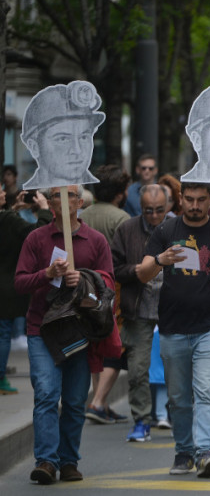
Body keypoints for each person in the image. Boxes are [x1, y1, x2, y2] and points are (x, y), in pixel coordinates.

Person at [136, 181, 210, 478]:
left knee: (205, 390)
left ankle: (206, 451)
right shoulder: (165, 232)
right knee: (179, 399)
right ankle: (183, 450)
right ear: (180, 199)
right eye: (189, 199)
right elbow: (142, 274)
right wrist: (160, 260)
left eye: (201, 200)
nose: (195, 206)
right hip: (172, 327)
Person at [15, 184, 114, 484]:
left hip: (80, 331)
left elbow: (107, 286)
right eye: (56, 194)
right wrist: (48, 274)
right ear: (51, 204)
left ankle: (69, 460)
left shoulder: (95, 240)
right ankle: (46, 460)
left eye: (69, 194)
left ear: (79, 202)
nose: (62, 200)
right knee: (46, 394)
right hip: (41, 329)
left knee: (73, 400)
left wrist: (83, 280)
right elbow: (19, 282)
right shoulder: (36, 238)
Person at [111, 185, 171, 442]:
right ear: (141, 207)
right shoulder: (127, 229)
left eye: (159, 210)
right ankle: (141, 420)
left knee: (178, 366)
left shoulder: (177, 227)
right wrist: (137, 270)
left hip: (173, 307)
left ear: (167, 206)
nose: (155, 215)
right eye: (149, 211)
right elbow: (114, 267)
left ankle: (178, 417)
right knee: (137, 370)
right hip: (138, 308)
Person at [80, 164, 131, 425]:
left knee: (95, 345)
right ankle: (99, 402)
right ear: (120, 193)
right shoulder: (121, 219)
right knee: (114, 345)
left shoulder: (83, 215)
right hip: (112, 290)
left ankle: (101, 401)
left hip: (83, 287)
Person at [0, 188, 52, 395]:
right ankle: (1, 378)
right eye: (0, 189)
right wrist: (44, 209)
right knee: (4, 333)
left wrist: (13, 210)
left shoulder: (7, 218)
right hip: (6, 287)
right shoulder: (8, 220)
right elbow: (38, 234)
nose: (4, 192)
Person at [21, 81, 103, 189]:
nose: (77, 150)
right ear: (34, 146)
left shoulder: (98, 193)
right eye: (63, 139)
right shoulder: (31, 198)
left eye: (84, 137)